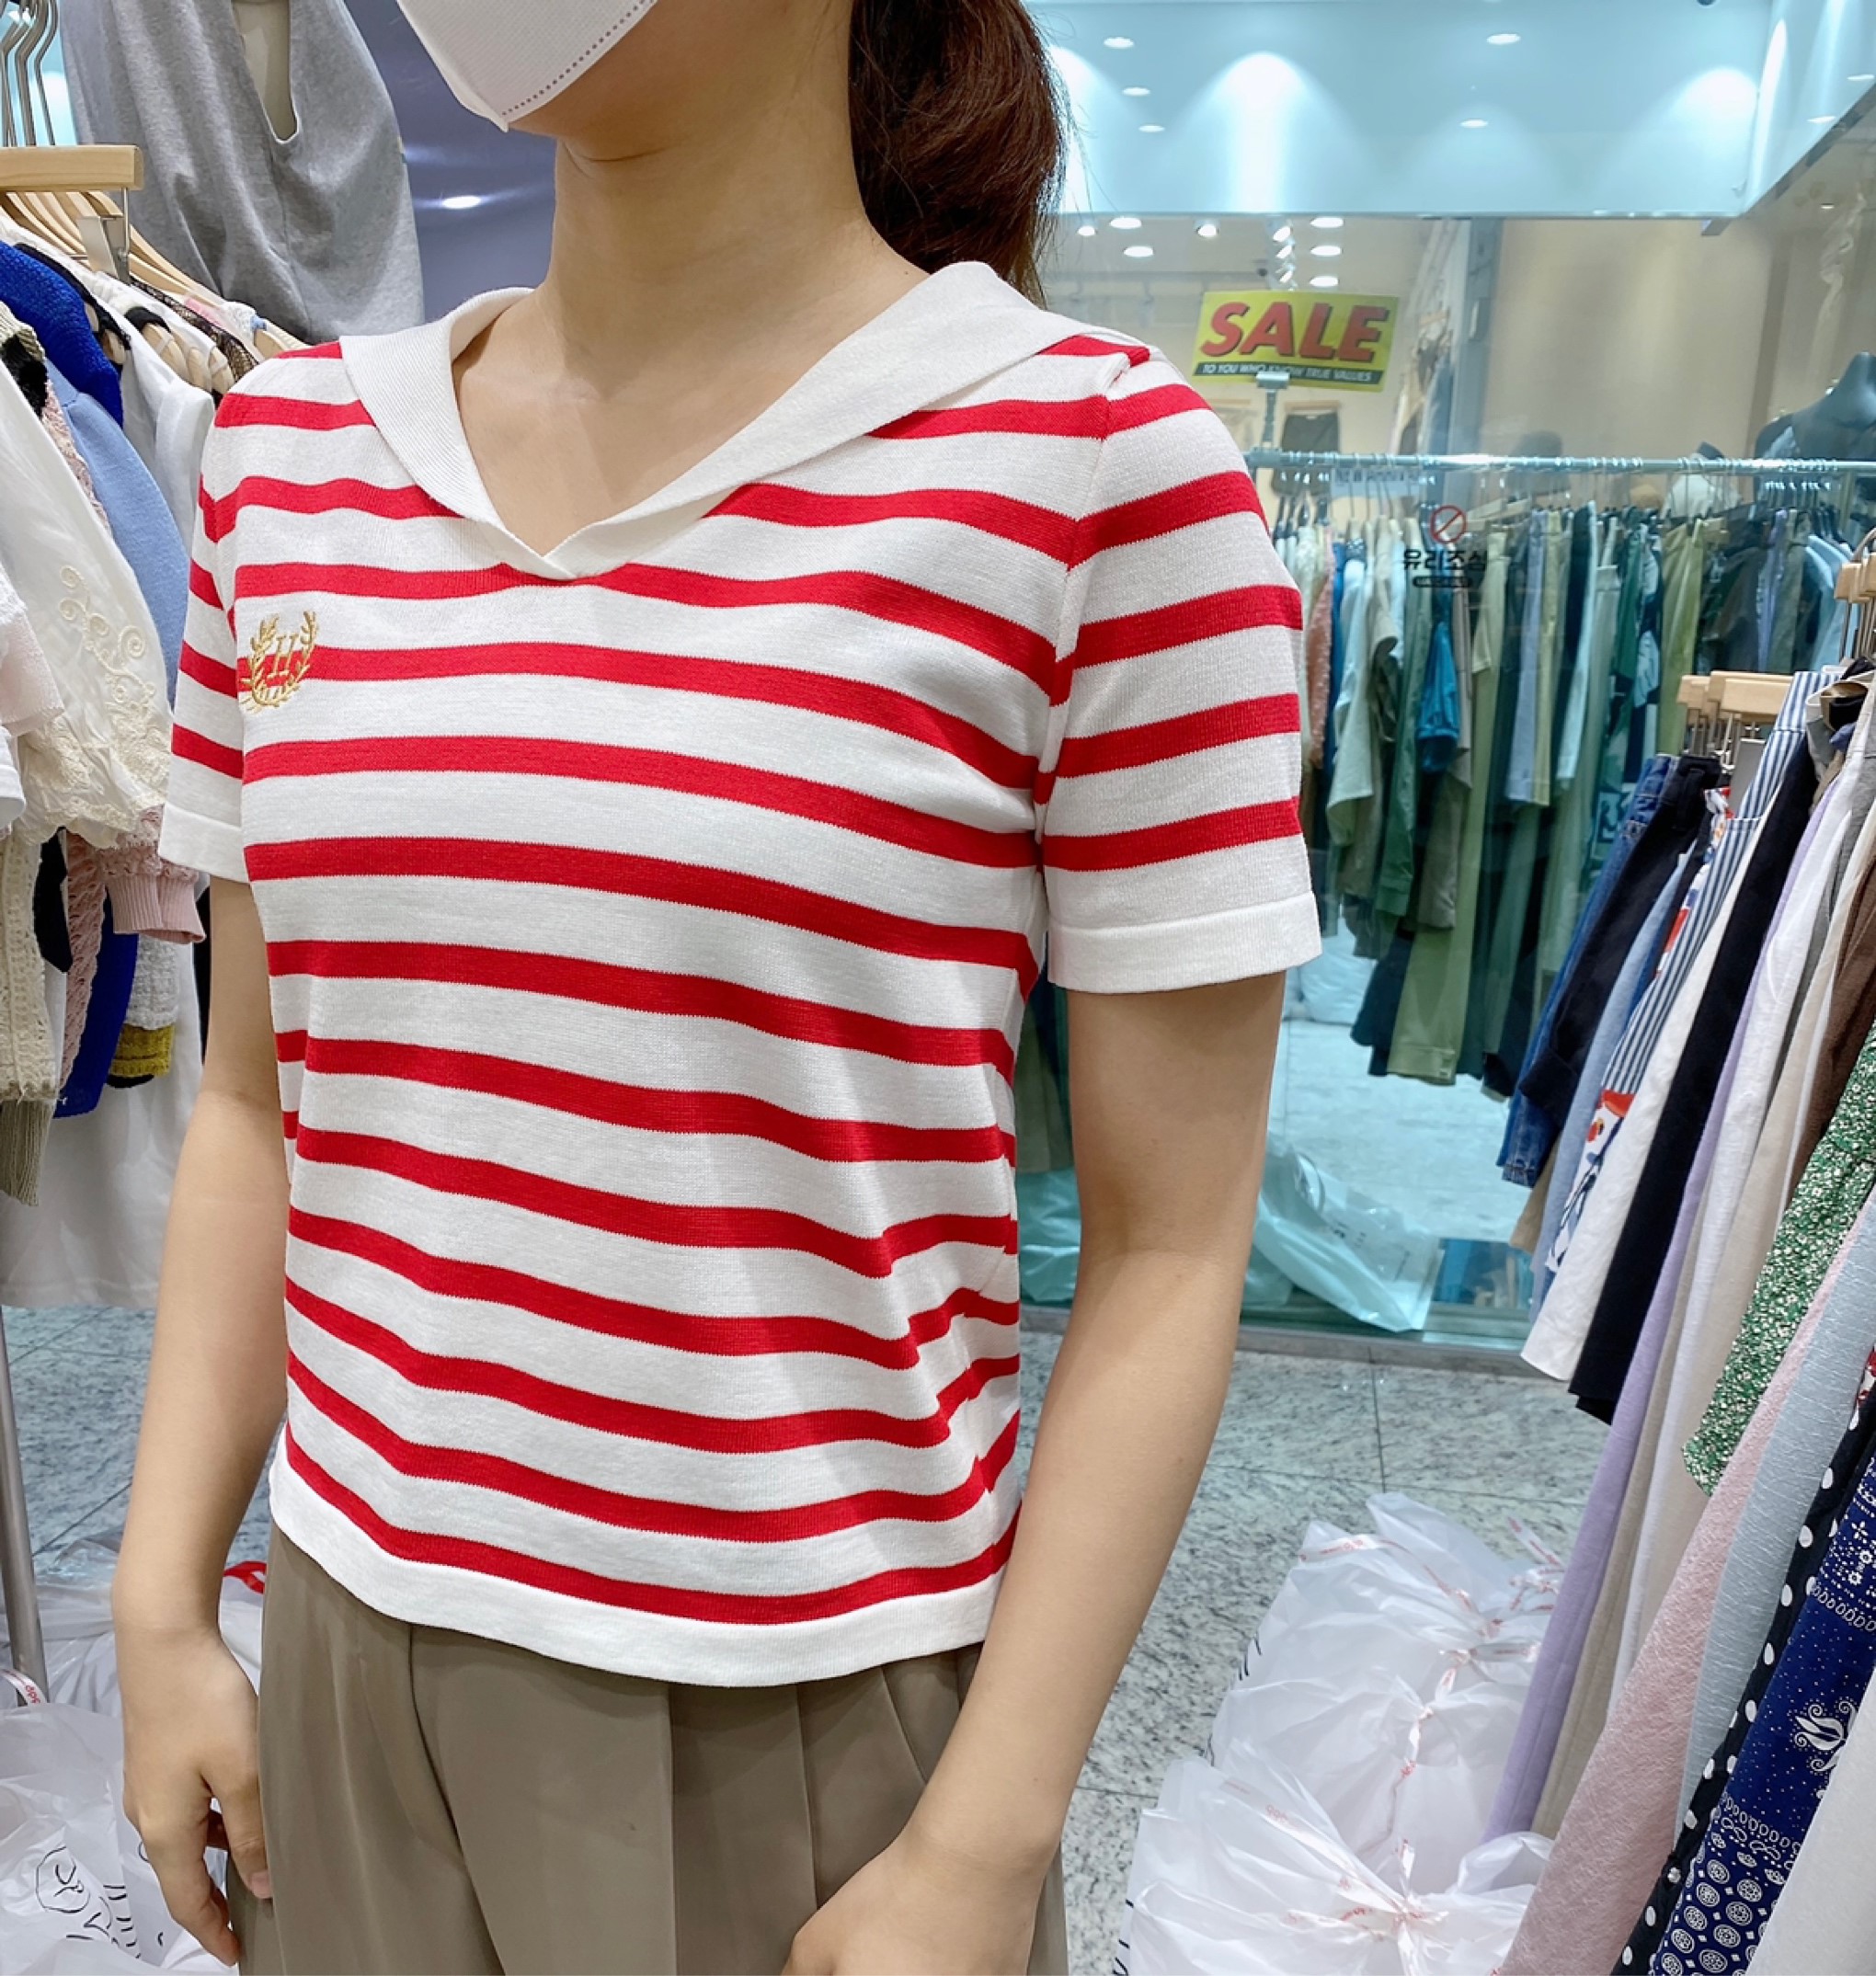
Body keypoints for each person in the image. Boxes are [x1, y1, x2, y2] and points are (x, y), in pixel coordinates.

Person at [111, 1, 1319, 1970]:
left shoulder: (1100, 472)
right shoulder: (293, 457)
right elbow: (262, 1095)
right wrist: (163, 1596)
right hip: (342, 1633)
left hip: (800, 1705)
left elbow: (1175, 1244)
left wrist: (984, 1842)